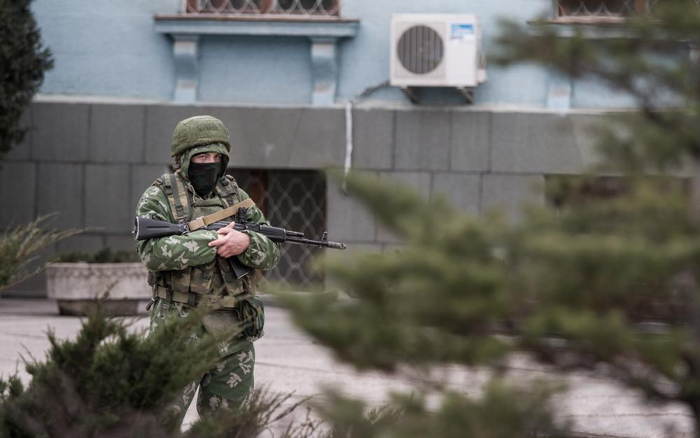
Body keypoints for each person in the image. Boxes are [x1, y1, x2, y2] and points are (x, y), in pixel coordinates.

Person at [135, 115, 280, 424]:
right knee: (157, 424)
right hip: (178, 328)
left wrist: (245, 243)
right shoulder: (159, 196)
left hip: (233, 329)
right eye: (202, 156)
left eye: (216, 156)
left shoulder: (235, 196)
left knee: (226, 426)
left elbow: (271, 251)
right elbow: (152, 252)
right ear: (183, 158)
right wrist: (212, 240)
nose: (210, 163)